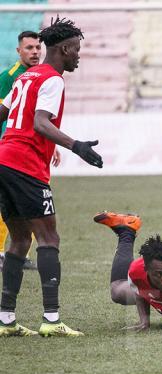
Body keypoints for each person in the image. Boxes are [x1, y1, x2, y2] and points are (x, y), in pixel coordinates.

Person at [0, 17, 103, 337]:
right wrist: (77, 147)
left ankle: (6, 320)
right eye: (76, 50)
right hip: (25, 165)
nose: (78, 56)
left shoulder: (26, 77)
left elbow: (3, 114)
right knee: (49, 238)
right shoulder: (53, 79)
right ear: (63, 49)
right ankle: (51, 320)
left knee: (18, 238)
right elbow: (40, 123)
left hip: (4, 160)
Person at [0, 30, 61, 272]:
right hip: (11, 150)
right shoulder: (9, 77)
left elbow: (42, 118)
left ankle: (21, 251)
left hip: (34, 152)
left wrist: (52, 145)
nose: (35, 52)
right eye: (29, 48)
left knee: (35, 207)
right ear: (19, 51)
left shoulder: (43, 75)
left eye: (38, 47)